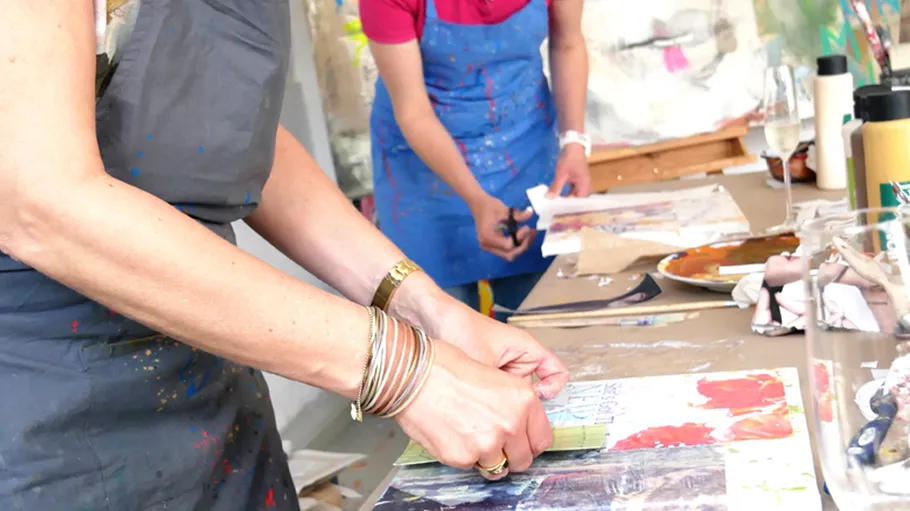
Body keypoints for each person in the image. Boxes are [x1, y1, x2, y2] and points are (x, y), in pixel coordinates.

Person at [0, 1, 570, 509]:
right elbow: (39, 202)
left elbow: (236, 133)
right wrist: (399, 368)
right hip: (48, 425)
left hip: (215, 382)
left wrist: (426, 310)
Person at [360, 0, 592, 318]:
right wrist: (475, 198)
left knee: (545, 317)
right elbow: (413, 111)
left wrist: (574, 142)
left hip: (526, 149)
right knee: (443, 330)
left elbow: (568, 43)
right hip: (425, 177)